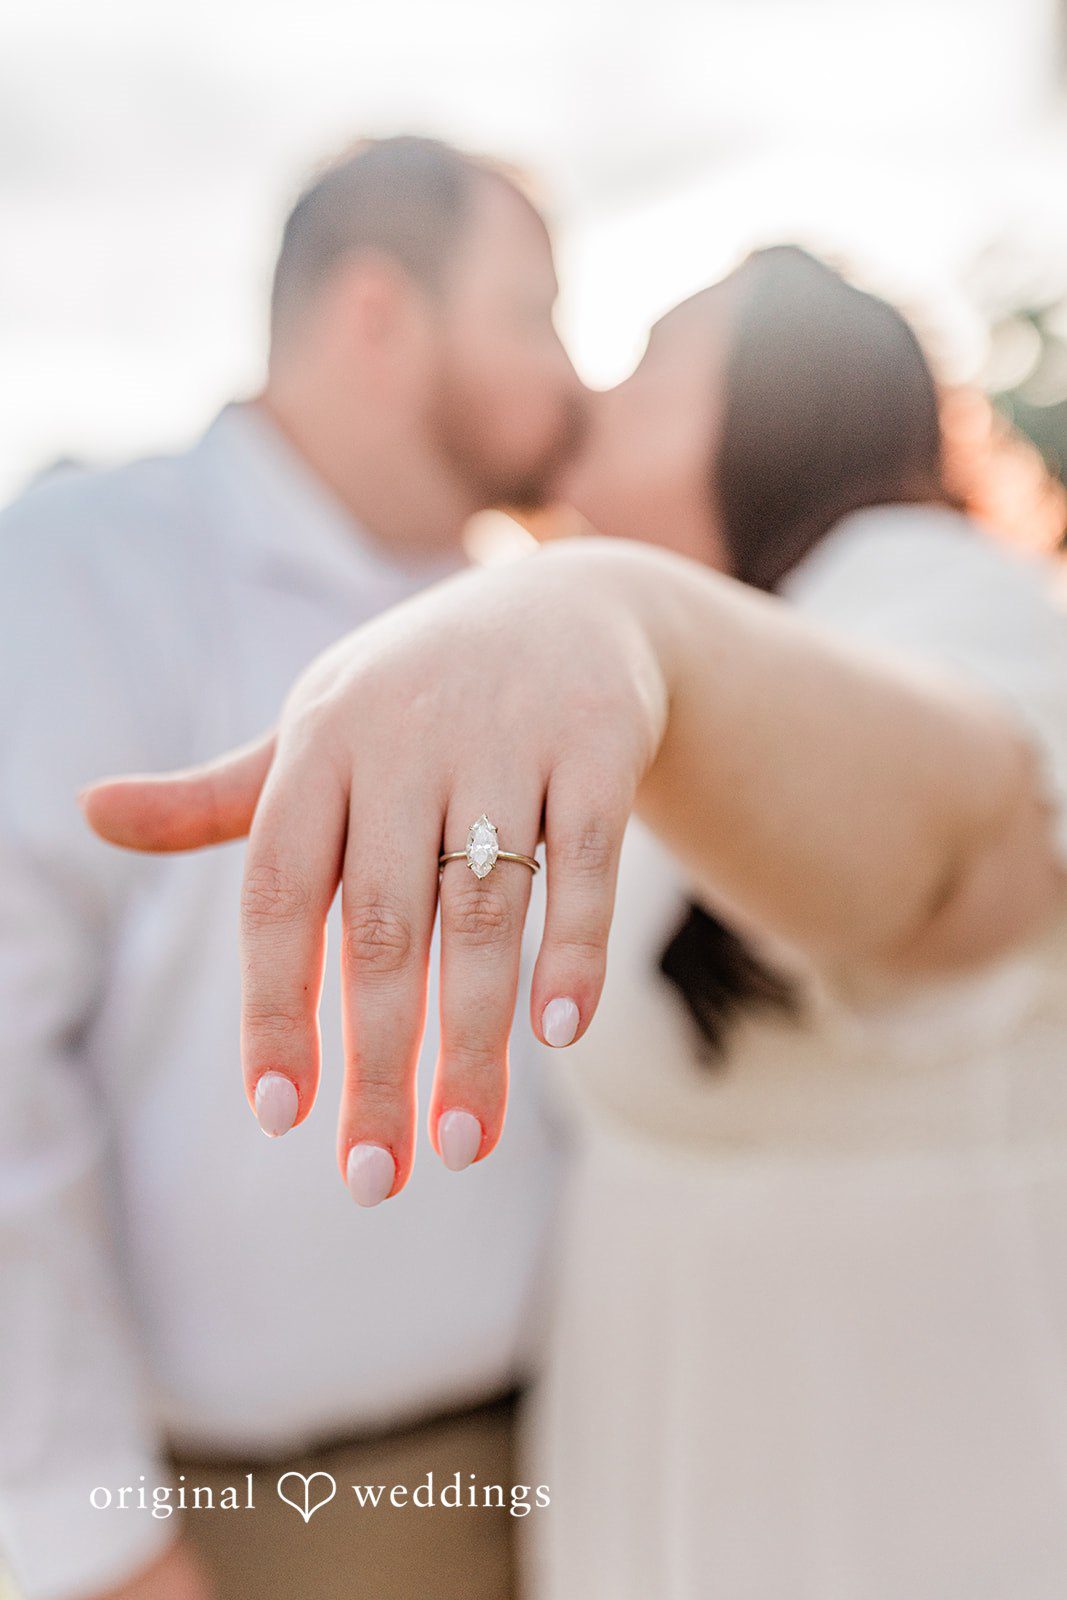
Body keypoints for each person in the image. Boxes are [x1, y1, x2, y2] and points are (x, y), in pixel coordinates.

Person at [84, 246, 1067, 1599]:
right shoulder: (664, 658)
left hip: (900, 1518)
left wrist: (617, 610)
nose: (593, 385)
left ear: (780, 409)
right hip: (652, 1504)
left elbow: (961, 840)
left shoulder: (921, 586)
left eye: (653, 354)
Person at [0, 136, 585, 1600]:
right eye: (530, 313)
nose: (569, 375)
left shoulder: (527, 615)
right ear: (379, 316)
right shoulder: (84, 573)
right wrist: (88, 1535)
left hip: (586, 1469)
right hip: (274, 1525)